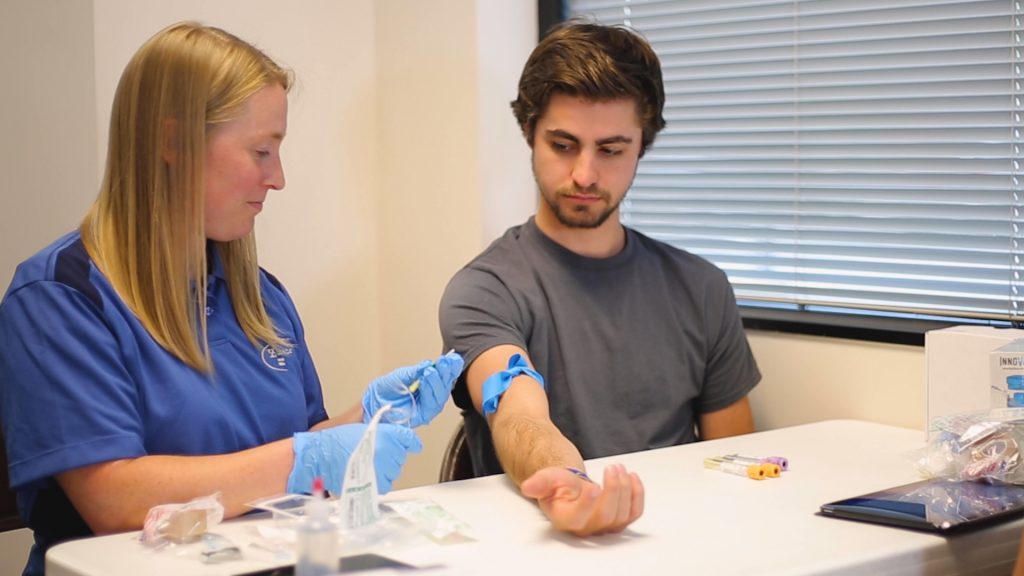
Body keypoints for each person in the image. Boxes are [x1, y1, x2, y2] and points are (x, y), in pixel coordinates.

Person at [0, 22, 462, 576]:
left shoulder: (260, 298)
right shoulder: (60, 299)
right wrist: (305, 458)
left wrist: (363, 421)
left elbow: (289, 455)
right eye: (261, 151)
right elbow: (114, 499)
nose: (278, 178)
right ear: (172, 143)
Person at [438, 21, 760, 537]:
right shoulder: (485, 291)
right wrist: (566, 483)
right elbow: (518, 414)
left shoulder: (701, 288)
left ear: (642, 146)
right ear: (530, 133)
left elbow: (738, 463)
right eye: (563, 145)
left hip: (684, 544)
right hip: (539, 547)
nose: (585, 174)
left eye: (610, 150)